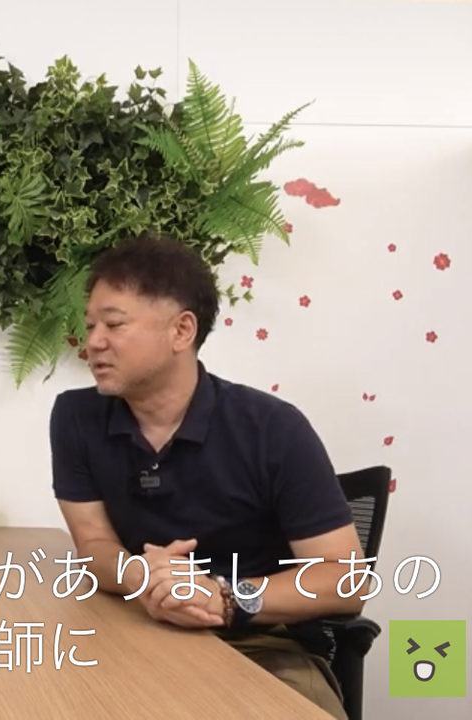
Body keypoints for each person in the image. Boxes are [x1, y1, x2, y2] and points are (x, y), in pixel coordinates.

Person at [49, 232, 363, 720]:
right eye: (90, 326)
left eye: (114, 324)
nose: (93, 343)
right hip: (134, 628)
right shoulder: (76, 417)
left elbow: (345, 580)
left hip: (260, 643)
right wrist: (146, 578)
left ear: (181, 331)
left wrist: (223, 598)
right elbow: (93, 544)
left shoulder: (272, 427)